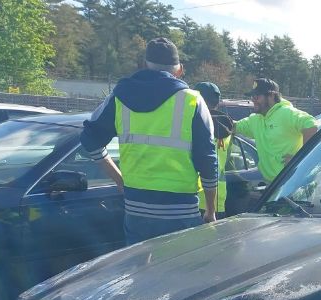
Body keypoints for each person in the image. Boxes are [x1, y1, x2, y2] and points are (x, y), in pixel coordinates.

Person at [80, 37, 219, 245]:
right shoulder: (192, 100)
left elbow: (89, 139)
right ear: (180, 70)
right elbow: (207, 160)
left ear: (144, 65)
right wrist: (210, 210)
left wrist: (120, 181)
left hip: (137, 210)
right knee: (181, 273)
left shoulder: (118, 96)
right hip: (180, 211)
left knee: (140, 273)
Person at [234, 78, 318, 183]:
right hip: (272, 185)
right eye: (252, 96)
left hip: (293, 184)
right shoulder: (255, 119)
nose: (253, 100)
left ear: (272, 96)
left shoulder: (286, 113)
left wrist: (302, 159)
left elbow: (311, 124)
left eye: (257, 96)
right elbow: (233, 127)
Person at [192, 81, 235, 218]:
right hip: (218, 198)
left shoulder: (194, 124)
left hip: (194, 196)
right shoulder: (227, 128)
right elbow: (228, 162)